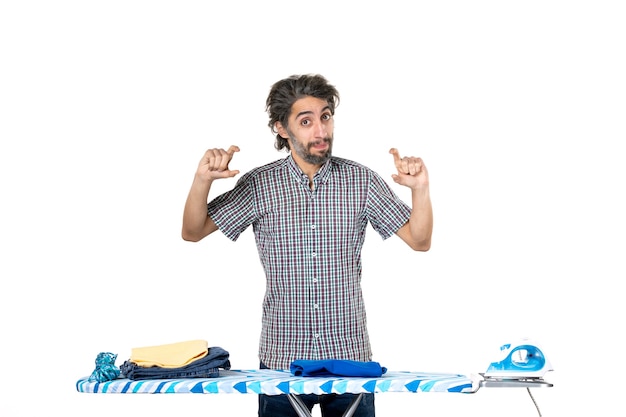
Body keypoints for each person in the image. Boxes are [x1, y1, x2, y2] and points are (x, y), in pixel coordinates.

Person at [182, 74, 433, 417]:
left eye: (326, 116)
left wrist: (419, 188)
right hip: (281, 361)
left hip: (350, 359)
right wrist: (202, 180)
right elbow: (193, 231)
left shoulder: (362, 181)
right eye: (306, 121)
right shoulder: (260, 184)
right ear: (281, 129)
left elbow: (419, 241)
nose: (321, 131)